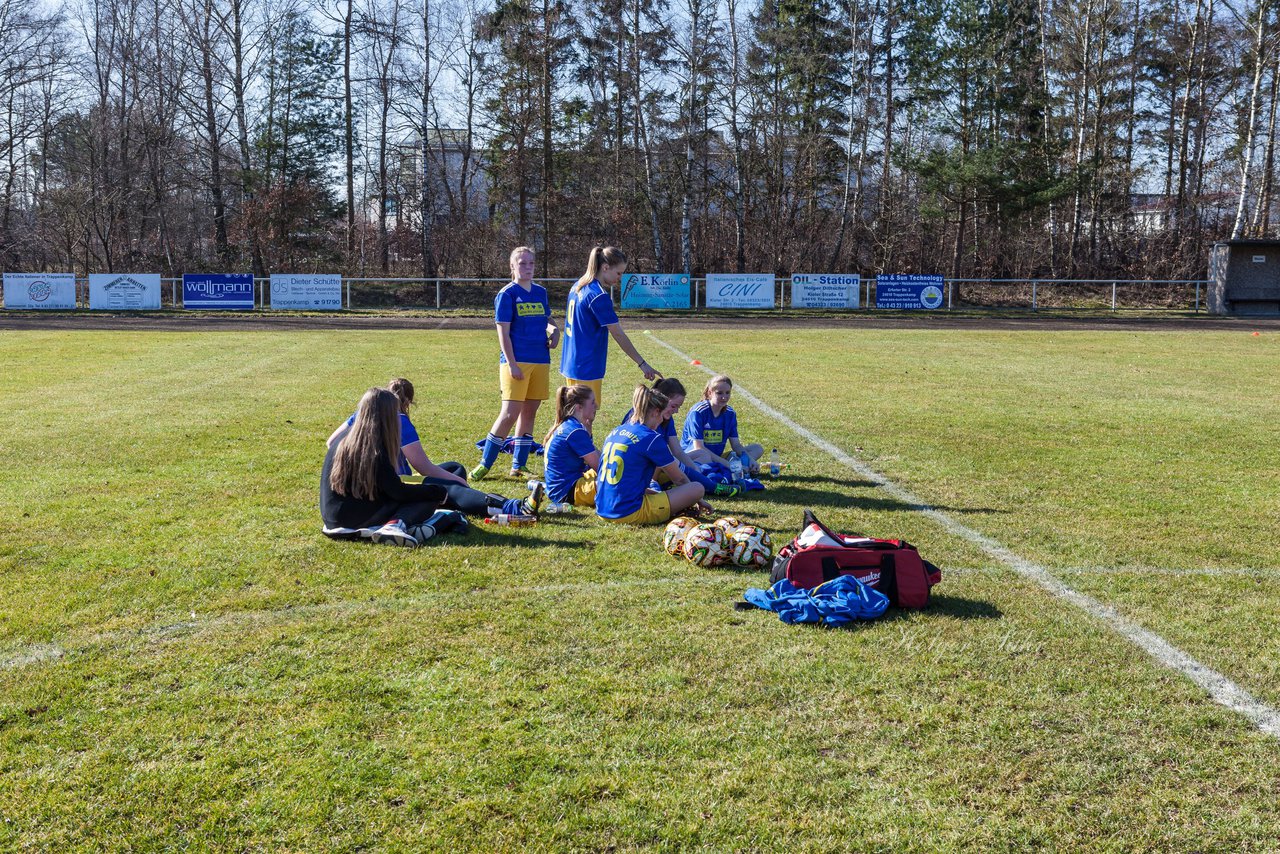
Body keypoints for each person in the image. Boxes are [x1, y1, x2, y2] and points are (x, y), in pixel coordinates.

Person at [328, 379, 544, 521]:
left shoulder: (355, 424)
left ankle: (467, 501)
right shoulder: (399, 422)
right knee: (449, 487)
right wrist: (453, 484)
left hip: (372, 488)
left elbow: (331, 443)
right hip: (388, 486)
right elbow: (423, 468)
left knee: (454, 469)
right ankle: (514, 508)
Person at [320, 387, 454, 548]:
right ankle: (395, 525)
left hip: (331, 519)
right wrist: (437, 491)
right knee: (428, 498)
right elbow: (398, 492)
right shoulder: (374, 449)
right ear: (389, 417)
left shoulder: (342, 441)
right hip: (354, 521)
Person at [472, 246, 559, 481]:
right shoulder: (507, 294)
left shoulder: (540, 292)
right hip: (517, 361)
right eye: (522, 263)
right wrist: (511, 364)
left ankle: (518, 465)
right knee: (510, 413)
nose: (528, 268)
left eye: (531, 263)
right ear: (512, 266)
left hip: (540, 359)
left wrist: (554, 330)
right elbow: (503, 333)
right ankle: (485, 463)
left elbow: (546, 319)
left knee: (530, 412)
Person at [596, 385, 712, 524]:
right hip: (627, 513)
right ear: (656, 412)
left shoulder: (616, 431)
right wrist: (698, 500)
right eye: (663, 415)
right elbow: (679, 479)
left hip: (603, 508)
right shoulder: (651, 437)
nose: (663, 420)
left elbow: (627, 480)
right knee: (697, 488)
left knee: (658, 492)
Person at [559, 245, 658, 409]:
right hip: (586, 366)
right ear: (605, 267)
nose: (620, 278)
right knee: (585, 417)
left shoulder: (578, 286)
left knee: (572, 416)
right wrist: (642, 363)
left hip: (572, 362)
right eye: (618, 273)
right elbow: (618, 334)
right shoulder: (597, 296)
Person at [621, 377, 741, 498]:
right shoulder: (641, 420)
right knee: (667, 459)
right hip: (638, 474)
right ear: (662, 401)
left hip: (640, 470)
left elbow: (678, 451)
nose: (677, 411)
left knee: (701, 455)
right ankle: (711, 487)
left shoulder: (664, 419)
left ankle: (700, 481)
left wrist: (695, 471)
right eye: (674, 406)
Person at [681, 374, 764, 474]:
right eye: (719, 393)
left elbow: (736, 445)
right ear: (710, 393)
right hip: (696, 457)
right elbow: (699, 448)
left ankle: (731, 467)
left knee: (757, 449)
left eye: (727, 393)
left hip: (716, 457)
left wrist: (750, 460)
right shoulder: (698, 412)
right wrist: (728, 465)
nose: (724, 397)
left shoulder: (730, 413)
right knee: (705, 458)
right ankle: (729, 468)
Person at [542, 384, 601, 508]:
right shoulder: (575, 431)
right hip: (566, 492)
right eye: (592, 403)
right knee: (616, 485)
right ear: (579, 407)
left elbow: (596, 456)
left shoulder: (569, 424)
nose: (596, 406)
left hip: (562, 487)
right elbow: (599, 466)